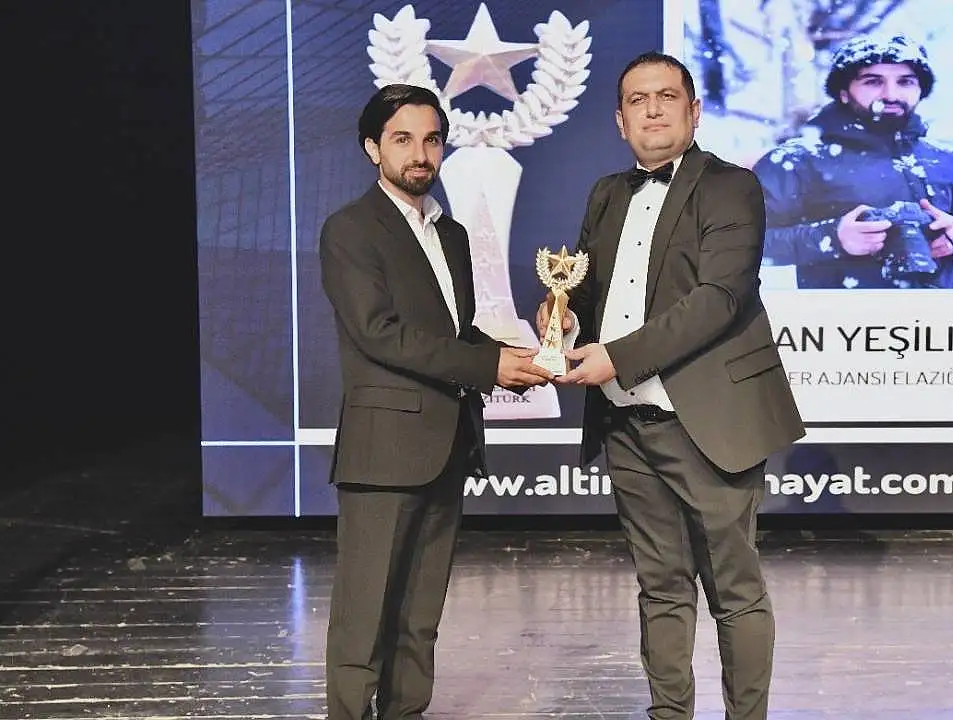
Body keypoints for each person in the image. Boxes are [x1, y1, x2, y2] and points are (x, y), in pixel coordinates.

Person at [537, 52, 805, 720]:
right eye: (637, 99)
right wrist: (562, 317)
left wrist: (617, 358)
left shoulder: (732, 187)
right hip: (627, 425)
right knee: (660, 587)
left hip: (707, 423)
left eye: (666, 96)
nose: (652, 109)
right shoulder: (606, 193)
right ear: (619, 120)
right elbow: (586, 289)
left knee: (733, 590)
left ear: (694, 111)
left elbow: (718, 299)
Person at [318, 83, 552, 720]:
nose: (420, 154)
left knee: (419, 619)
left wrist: (520, 358)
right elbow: (380, 333)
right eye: (403, 139)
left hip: (447, 446)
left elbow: (455, 333)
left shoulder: (450, 234)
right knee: (364, 617)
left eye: (431, 140)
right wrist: (487, 365)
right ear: (373, 148)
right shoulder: (350, 230)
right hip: (384, 452)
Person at [752, 33, 953, 289]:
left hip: (943, 312)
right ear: (843, 92)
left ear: (920, 90)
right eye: (873, 81)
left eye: (905, 82)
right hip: (844, 314)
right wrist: (832, 238)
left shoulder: (947, 161)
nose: (891, 94)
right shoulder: (797, 160)